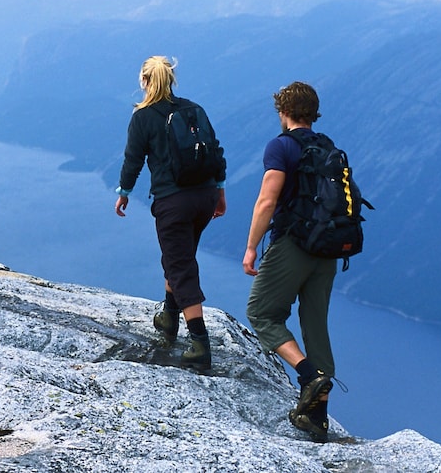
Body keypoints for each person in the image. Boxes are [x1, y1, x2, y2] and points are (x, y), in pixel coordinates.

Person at [114, 55, 227, 372]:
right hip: (204, 197)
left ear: (145, 82)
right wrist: (219, 193)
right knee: (179, 255)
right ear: (172, 80)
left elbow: (133, 159)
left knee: (180, 265)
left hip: (173, 201)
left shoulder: (143, 117)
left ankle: (199, 344)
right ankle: (168, 318)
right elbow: (215, 152)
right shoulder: (194, 109)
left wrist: (124, 192)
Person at [241, 81, 337, 442]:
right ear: (313, 113)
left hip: (293, 245)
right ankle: (317, 418)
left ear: (284, 112)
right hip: (328, 250)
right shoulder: (329, 147)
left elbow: (267, 200)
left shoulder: (281, 146)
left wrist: (251, 247)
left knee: (262, 312)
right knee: (316, 325)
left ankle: (308, 375)